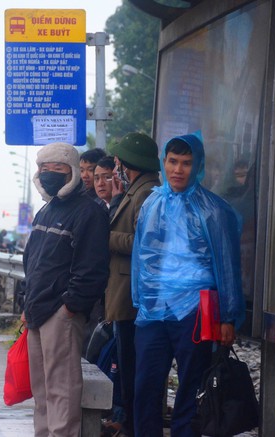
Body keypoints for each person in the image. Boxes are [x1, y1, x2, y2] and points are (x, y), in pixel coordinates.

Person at [131, 132, 246, 437]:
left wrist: (228, 317)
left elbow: (227, 265)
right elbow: (139, 257)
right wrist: (138, 301)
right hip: (153, 310)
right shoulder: (151, 205)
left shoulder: (213, 210)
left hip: (195, 309)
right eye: (172, 161)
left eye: (186, 162)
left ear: (198, 166)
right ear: (163, 163)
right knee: (145, 386)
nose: (178, 169)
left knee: (192, 387)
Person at [20, 142, 110, 436]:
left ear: (71, 171)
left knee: (62, 389)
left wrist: (70, 306)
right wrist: (26, 305)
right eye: (43, 169)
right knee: (42, 390)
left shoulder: (88, 212)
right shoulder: (45, 211)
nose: (48, 174)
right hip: (36, 311)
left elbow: (92, 268)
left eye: (57, 169)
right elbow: (32, 261)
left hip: (61, 314)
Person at [104, 132, 162, 436]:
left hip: (131, 294)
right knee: (126, 366)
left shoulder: (147, 191)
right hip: (124, 291)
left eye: (118, 162)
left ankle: (132, 426)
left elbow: (144, 242)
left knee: (132, 368)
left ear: (127, 164)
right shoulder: (136, 190)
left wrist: (106, 236)